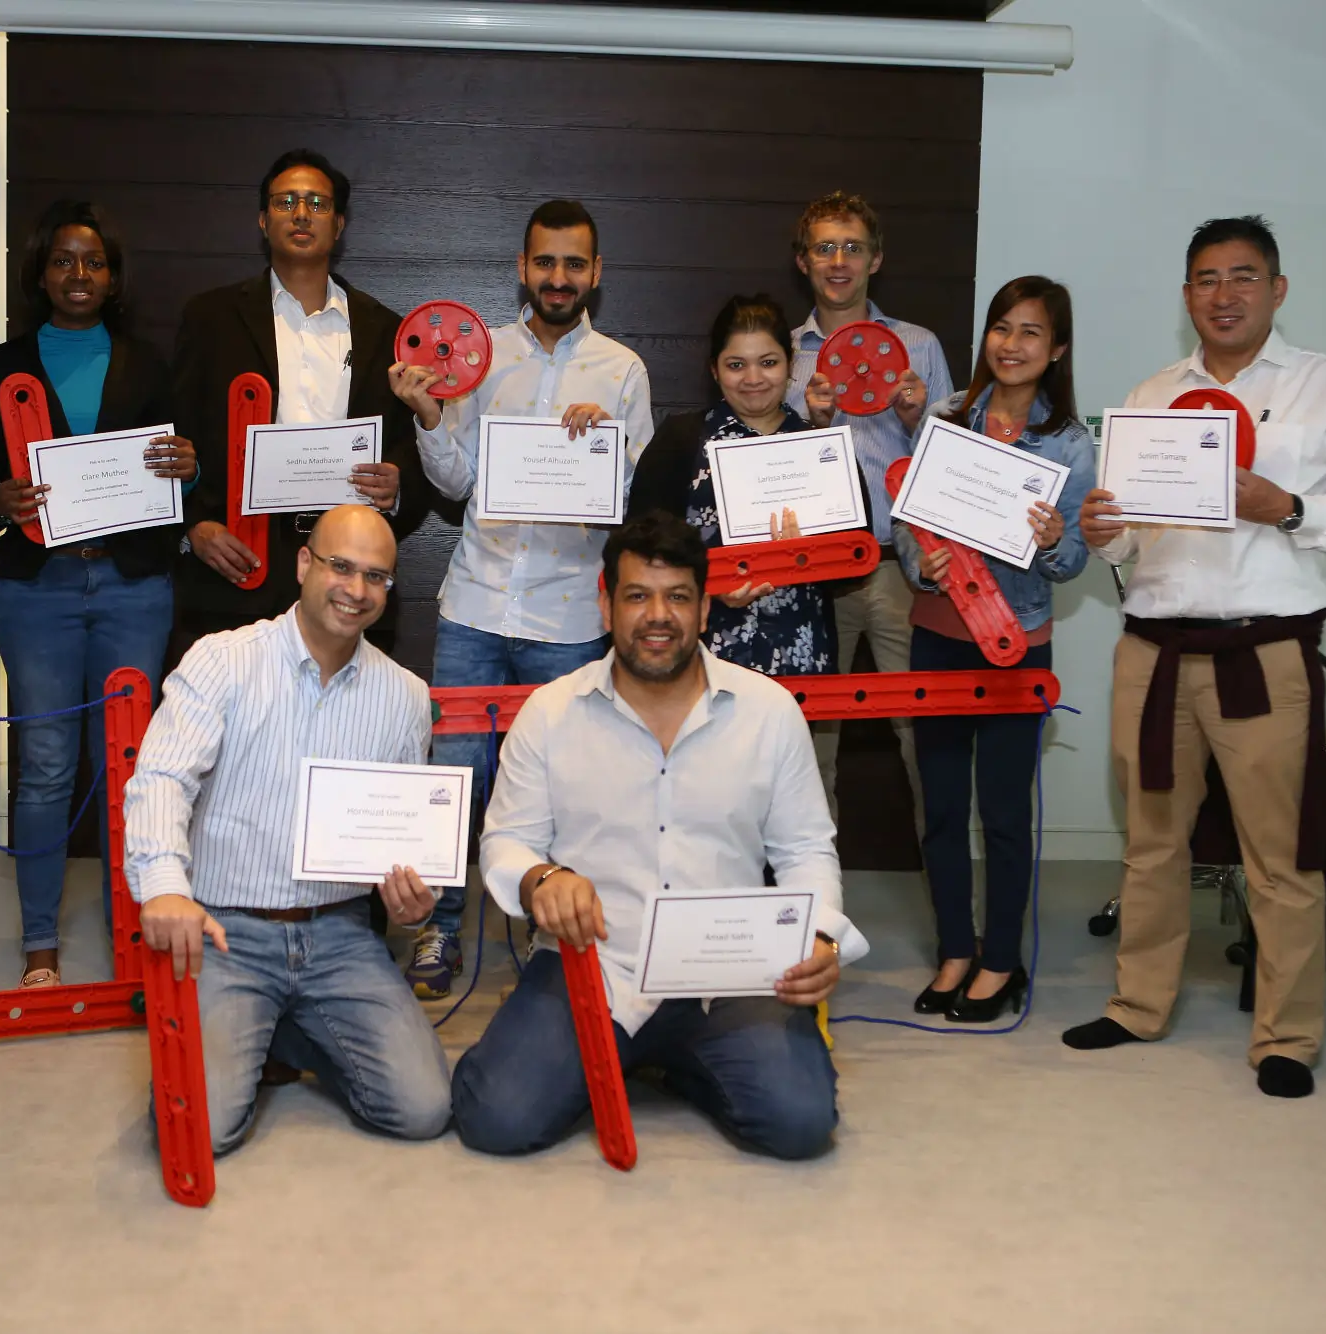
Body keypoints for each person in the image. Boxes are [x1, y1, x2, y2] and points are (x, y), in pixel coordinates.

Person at [1065, 216, 1326, 1098]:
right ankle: (1138, 1005)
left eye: (1243, 277)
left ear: (1276, 290)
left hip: (1264, 652)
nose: (1224, 295)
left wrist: (1286, 504)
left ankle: (1286, 1036)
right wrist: (1105, 534)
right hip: (1155, 650)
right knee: (1150, 844)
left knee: (1279, 855)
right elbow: (1130, 542)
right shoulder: (1149, 394)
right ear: (1186, 297)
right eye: (1207, 279)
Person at [449, 512, 865, 1160]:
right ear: (606, 604)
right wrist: (543, 879)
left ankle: (666, 1058)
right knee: (495, 1120)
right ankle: (639, 1053)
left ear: (703, 610)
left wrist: (819, 934)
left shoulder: (768, 712)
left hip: (731, 973)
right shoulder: (552, 712)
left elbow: (806, 849)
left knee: (800, 1124)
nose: (657, 616)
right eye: (637, 596)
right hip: (590, 964)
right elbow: (506, 842)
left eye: (677, 597)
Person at [387, 199, 654, 998]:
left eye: (575, 264)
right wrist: (430, 412)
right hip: (475, 601)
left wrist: (602, 444)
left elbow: (628, 499)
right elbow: (456, 481)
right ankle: (440, 928)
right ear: (522, 268)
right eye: (546, 262)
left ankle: (548, 926)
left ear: (596, 274)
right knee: (455, 779)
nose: (560, 278)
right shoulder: (476, 354)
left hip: (569, 609)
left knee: (561, 783)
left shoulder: (622, 371)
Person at [124, 505, 453, 1153]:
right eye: (340, 567)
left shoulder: (406, 696)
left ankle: (283, 1027)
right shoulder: (222, 661)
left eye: (376, 578)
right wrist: (165, 886)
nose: (356, 591)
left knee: (423, 1110)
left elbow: (396, 835)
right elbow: (161, 778)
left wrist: (413, 905)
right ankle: (265, 1023)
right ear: (305, 564)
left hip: (340, 937)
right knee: (197, 1133)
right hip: (227, 931)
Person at [0, 199, 196, 989]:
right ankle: (39, 947)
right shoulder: (1, 365)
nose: (79, 273)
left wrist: (185, 467)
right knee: (47, 768)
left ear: (113, 277)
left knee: (132, 766)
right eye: (64, 259)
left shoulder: (149, 361)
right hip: (39, 592)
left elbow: (182, 466)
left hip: (134, 585)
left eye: (93, 261)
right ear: (40, 273)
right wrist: (2, 499)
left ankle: (131, 938)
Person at [898, 276, 1094, 1023]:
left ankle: (1000, 959)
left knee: (1004, 811)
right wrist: (923, 562)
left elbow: (1075, 560)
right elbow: (907, 522)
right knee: (943, 806)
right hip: (937, 633)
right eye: (1001, 329)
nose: (1012, 346)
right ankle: (955, 948)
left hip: (1016, 643)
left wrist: (1052, 541)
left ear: (1058, 349)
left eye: (1031, 333)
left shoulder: (1070, 442)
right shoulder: (948, 418)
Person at [168, 148, 427, 670]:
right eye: (286, 201)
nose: (302, 214)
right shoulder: (210, 318)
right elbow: (176, 438)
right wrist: (193, 527)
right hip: (239, 561)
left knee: (340, 729)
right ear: (264, 220)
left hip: (346, 562)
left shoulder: (388, 329)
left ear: (339, 223)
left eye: (317, 203)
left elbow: (414, 446)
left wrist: (399, 484)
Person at [784, 192, 955, 829]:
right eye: (825, 247)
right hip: (809, 569)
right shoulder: (781, 354)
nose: (839, 261)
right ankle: (811, 916)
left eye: (852, 247)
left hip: (898, 568)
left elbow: (950, 471)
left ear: (875, 259)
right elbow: (765, 468)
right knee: (804, 749)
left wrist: (916, 424)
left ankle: (954, 922)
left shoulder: (919, 346)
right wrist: (811, 425)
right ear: (803, 261)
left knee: (924, 741)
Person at [629, 292, 847, 675]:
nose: (753, 379)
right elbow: (638, 546)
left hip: (797, 651)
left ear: (789, 364)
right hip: (698, 653)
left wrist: (808, 555)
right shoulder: (681, 440)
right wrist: (708, 583)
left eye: (768, 362)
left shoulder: (817, 446)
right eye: (735, 364)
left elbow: (855, 561)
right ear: (714, 370)